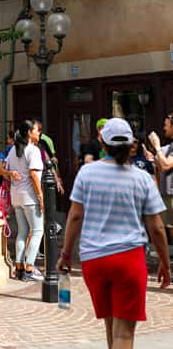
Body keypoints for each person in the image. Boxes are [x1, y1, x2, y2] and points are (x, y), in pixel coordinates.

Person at [58, 117, 169, 349]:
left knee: (110, 325)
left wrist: (66, 254)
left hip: (93, 260)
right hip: (128, 259)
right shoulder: (143, 179)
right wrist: (165, 264)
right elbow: (157, 228)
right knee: (124, 335)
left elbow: (75, 217)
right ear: (131, 145)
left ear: (102, 142)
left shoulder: (86, 173)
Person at [5, 119, 44, 281]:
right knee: (37, 231)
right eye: (37, 130)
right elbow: (34, 175)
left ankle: (19, 268)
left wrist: (12, 175)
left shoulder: (13, 150)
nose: (39, 133)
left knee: (22, 232)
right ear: (29, 133)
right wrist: (41, 196)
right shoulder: (33, 150)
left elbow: (4, 169)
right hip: (30, 196)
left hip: (17, 196)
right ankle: (29, 268)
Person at [148, 113, 173, 254]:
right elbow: (161, 165)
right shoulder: (170, 146)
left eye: (166, 125)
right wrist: (153, 158)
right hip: (167, 193)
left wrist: (157, 146)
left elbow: (166, 166)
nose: (164, 128)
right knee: (167, 229)